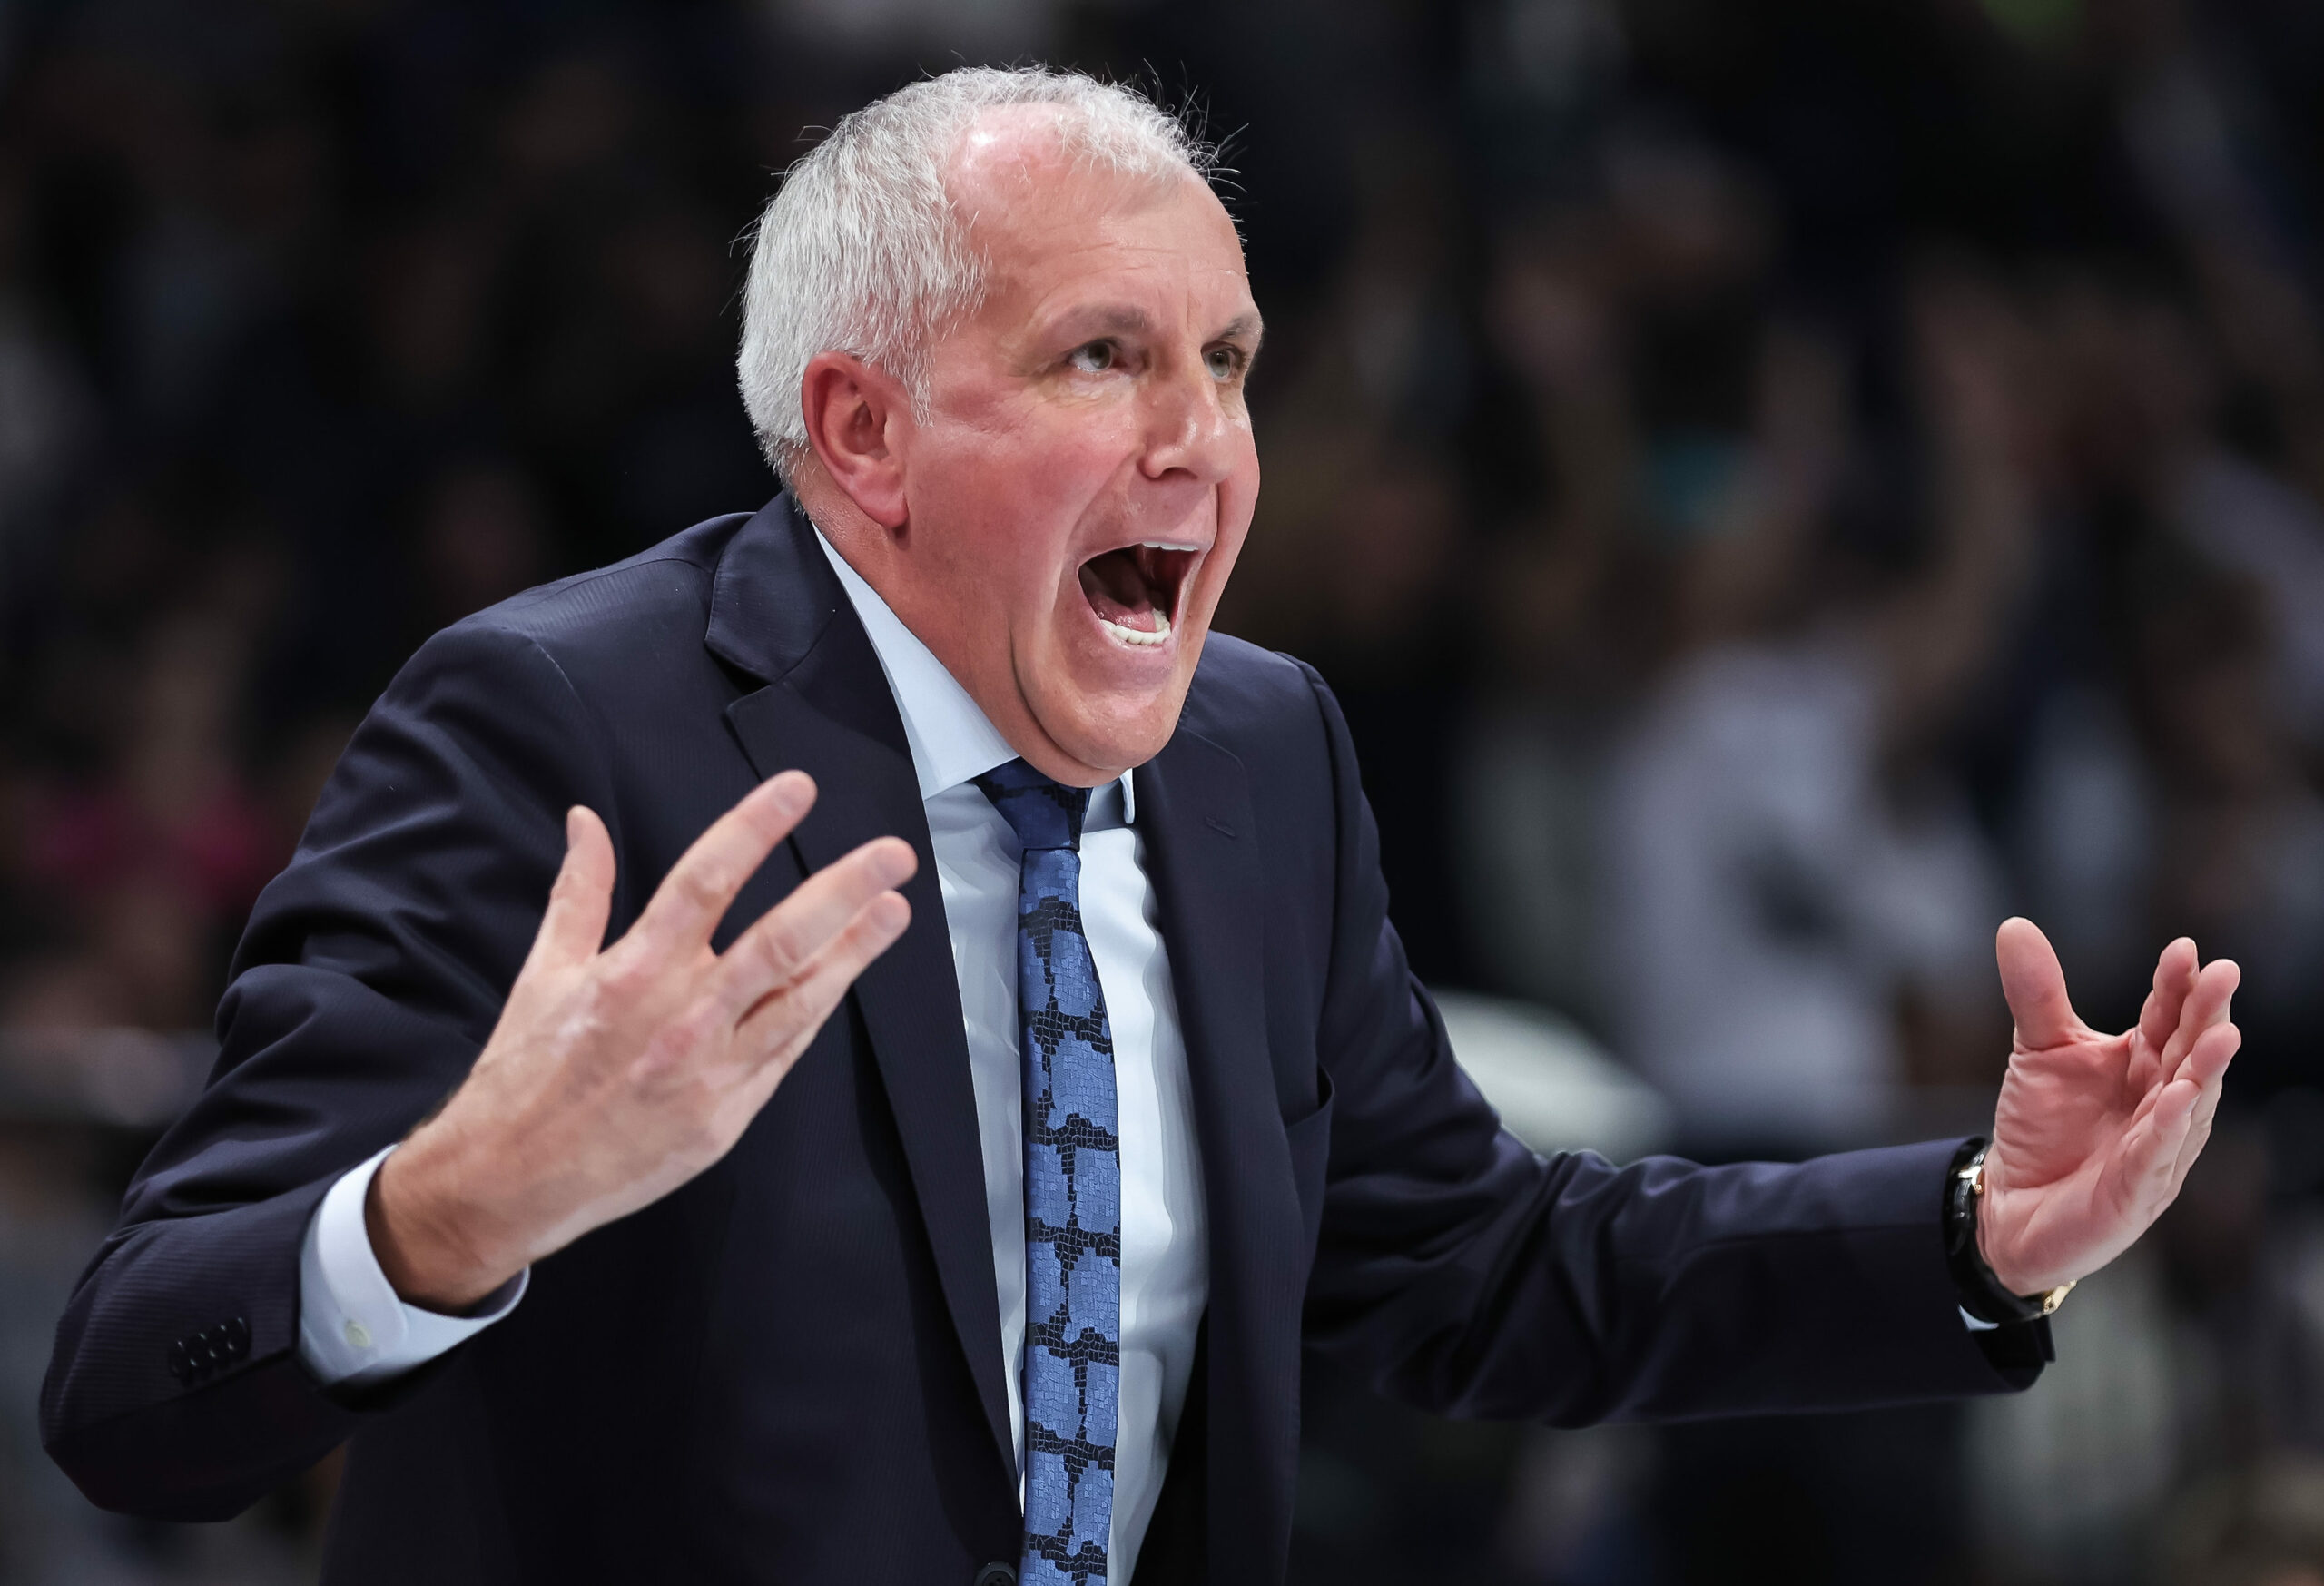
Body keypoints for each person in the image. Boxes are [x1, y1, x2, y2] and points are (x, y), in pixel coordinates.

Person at [41, 69, 2242, 1586]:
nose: (1204, 439)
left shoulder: (1258, 753)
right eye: (1103, 357)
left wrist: (1968, 1231)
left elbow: (1474, 1267)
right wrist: (448, 1209)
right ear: (862, 430)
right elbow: (139, 1383)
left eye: (1231, 357)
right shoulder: (560, 728)